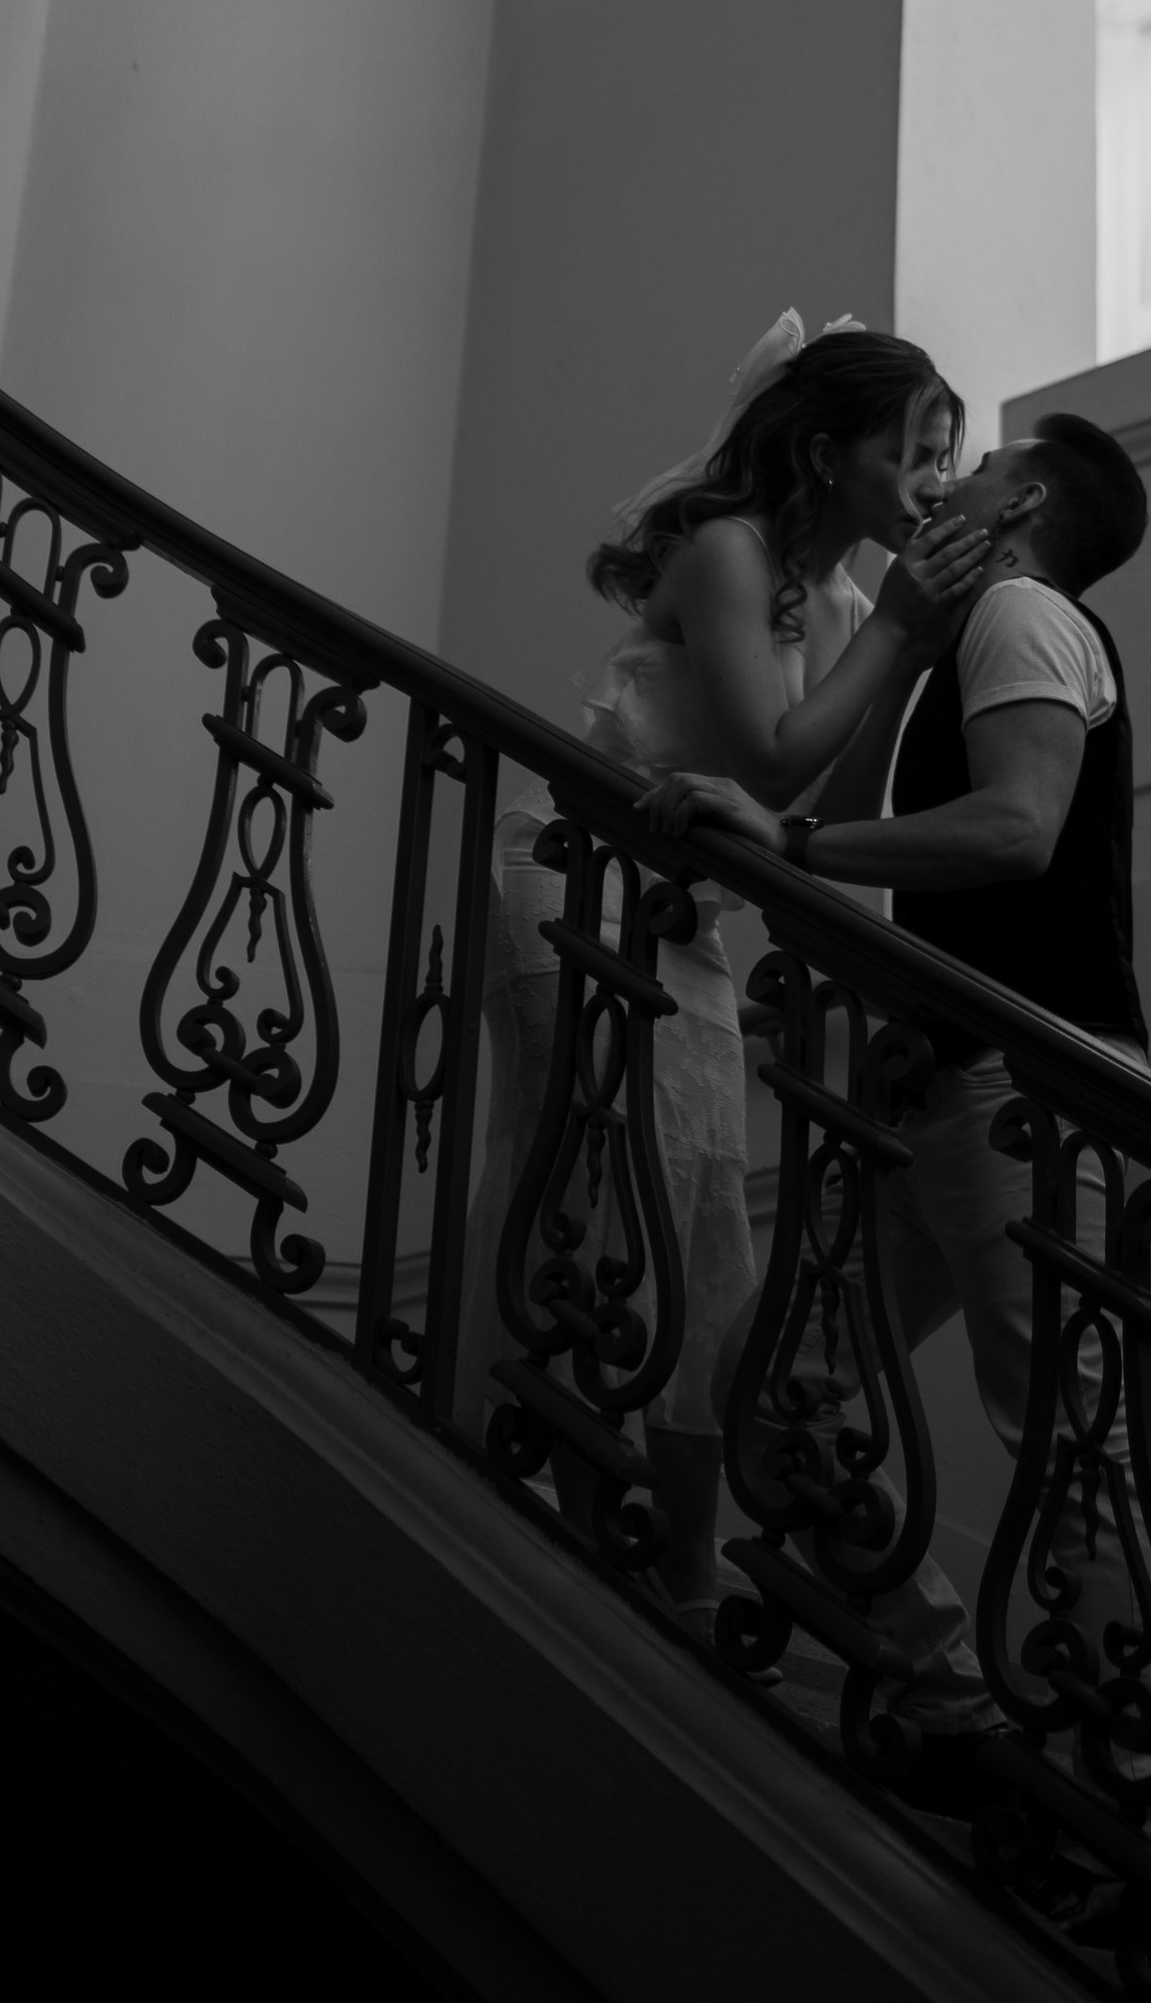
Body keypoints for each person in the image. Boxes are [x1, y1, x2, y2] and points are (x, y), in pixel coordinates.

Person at [649, 407, 1151, 1770]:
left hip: (1033, 1089)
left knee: (1064, 1438)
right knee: (781, 1382)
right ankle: (945, 1690)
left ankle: (1118, 1797)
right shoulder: (964, 641)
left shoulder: (1029, 617)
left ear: (1026, 499)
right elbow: (851, 827)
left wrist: (794, 838)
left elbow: (1016, 828)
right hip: (947, 1083)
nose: (950, 479)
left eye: (979, 464)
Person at [467, 316, 987, 1616]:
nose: (933, 482)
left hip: (687, 921)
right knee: (592, 1211)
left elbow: (811, 822)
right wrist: (905, 642)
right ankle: (569, 1527)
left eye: (945, 458)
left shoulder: (857, 605)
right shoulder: (727, 551)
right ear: (824, 451)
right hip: (576, 881)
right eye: (914, 452)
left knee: (708, 1244)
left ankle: (679, 1582)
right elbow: (764, 751)